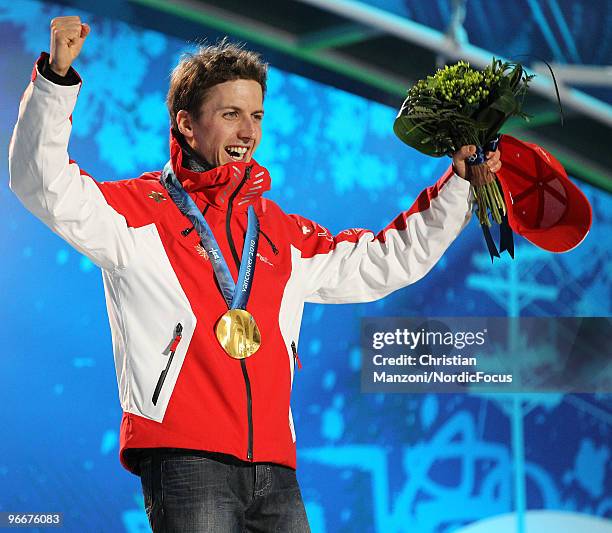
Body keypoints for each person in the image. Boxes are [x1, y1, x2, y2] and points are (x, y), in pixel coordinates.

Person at [8, 16, 502, 533]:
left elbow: (388, 258)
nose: (248, 132)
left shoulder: (279, 232)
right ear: (186, 124)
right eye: (231, 114)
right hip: (186, 458)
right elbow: (41, 182)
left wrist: (458, 186)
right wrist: (56, 81)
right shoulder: (136, 213)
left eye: (256, 116)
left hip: (275, 465)